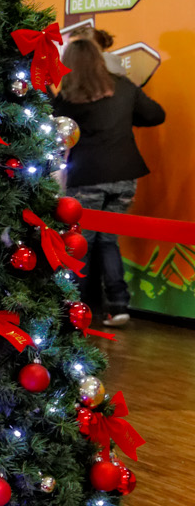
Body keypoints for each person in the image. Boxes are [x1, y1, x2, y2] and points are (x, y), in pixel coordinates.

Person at [54, 29, 166, 327]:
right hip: (126, 176)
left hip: (87, 176)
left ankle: (74, 312)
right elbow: (155, 115)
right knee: (108, 241)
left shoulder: (67, 96)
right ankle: (119, 306)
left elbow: (53, 128)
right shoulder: (123, 87)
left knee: (82, 244)